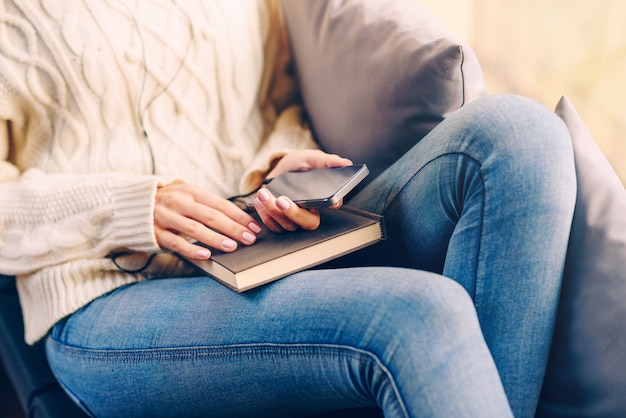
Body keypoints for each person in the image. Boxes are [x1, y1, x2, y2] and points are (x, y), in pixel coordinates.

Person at [0, 1, 576, 417]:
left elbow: (275, 100)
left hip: (267, 239)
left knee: (521, 132)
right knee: (422, 312)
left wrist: (272, 174)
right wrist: (131, 206)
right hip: (113, 296)